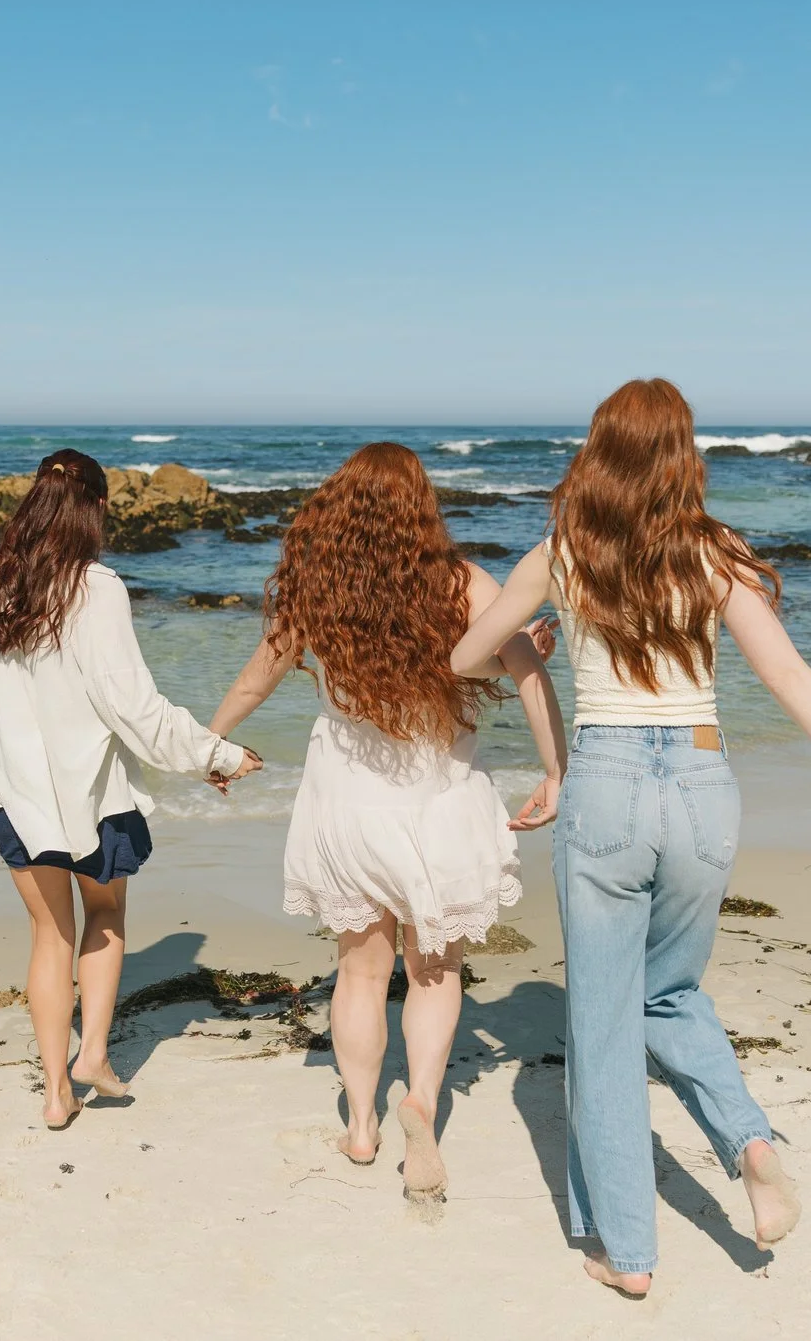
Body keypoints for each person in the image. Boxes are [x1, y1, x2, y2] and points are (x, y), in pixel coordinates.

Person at [452, 379, 811, 1297]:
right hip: (701, 780)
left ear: (600, 449)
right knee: (673, 992)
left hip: (604, 785)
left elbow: (462, 656)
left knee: (603, 1028)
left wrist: (535, 632)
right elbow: (791, 674)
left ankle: (627, 1254)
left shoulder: (563, 551)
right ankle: (751, 1141)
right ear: (684, 455)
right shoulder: (715, 552)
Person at [208, 442, 566, 1198]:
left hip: (347, 804)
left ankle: (363, 1123)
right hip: (441, 802)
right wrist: (556, 770)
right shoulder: (462, 582)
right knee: (434, 971)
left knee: (361, 972)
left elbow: (257, 676)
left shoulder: (316, 588)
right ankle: (422, 1103)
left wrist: (209, 747)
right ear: (421, 507)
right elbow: (519, 671)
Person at [0, 448, 262, 1131]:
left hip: (13, 793)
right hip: (89, 799)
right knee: (103, 919)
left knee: (49, 935)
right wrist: (216, 755)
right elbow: (135, 709)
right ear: (96, 508)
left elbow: (1, 697)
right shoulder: (96, 588)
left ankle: (54, 1092)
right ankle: (93, 1056)